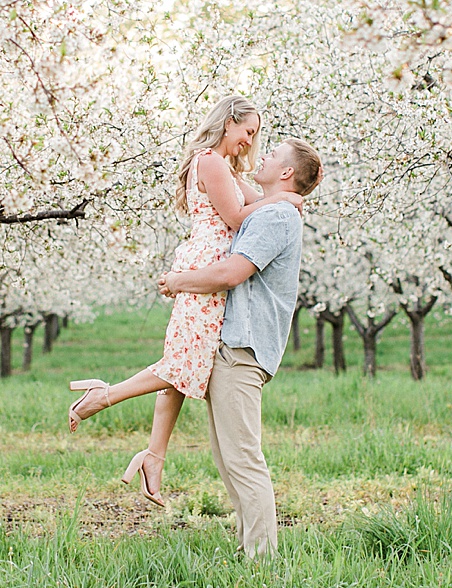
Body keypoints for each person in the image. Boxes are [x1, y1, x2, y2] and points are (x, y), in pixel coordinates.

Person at [66, 95, 300, 506]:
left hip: (208, 266)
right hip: (206, 268)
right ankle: (105, 396)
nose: (251, 140)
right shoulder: (209, 160)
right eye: (248, 130)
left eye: (256, 134)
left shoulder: (224, 168)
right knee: (183, 363)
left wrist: (279, 198)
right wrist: (282, 199)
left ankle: (154, 456)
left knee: (184, 359)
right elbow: (237, 218)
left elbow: (255, 203)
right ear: (228, 123)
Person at [158, 137, 320, 558]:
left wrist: (178, 281)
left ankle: (262, 562)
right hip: (235, 346)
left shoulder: (277, 217)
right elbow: (235, 201)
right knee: (230, 458)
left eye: (272, 154)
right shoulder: (269, 210)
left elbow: (232, 273)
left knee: (244, 459)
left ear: (286, 173)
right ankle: (250, 551)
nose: (261, 155)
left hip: (242, 349)